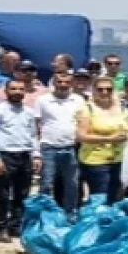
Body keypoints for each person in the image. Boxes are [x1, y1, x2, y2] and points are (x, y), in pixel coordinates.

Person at [0, 79, 41, 240]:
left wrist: (36, 155)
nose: (17, 92)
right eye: (13, 89)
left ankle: (16, 226)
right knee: (2, 194)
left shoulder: (29, 112)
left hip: (24, 155)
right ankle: (0, 226)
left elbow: (33, 135)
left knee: (22, 193)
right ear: (6, 91)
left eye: (21, 89)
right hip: (4, 155)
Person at [75, 76, 128, 203]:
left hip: (118, 160)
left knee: (116, 197)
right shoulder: (87, 109)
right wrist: (109, 138)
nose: (105, 92)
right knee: (100, 199)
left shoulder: (121, 108)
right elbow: (81, 136)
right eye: (100, 89)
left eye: (109, 89)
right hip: (95, 161)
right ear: (94, 91)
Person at [36, 71, 84, 213]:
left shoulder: (78, 100)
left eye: (67, 82)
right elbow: (36, 126)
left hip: (71, 147)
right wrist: (36, 151)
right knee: (46, 184)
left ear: (72, 83)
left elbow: (82, 122)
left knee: (72, 184)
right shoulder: (42, 100)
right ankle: (44, 215)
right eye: (60, 82)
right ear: (54, 82)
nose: (63, 85)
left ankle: (69, 213)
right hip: (49, 147)